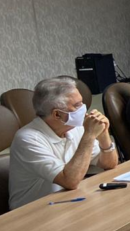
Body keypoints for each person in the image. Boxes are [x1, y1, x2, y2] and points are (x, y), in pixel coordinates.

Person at [8, 77, 118, 209]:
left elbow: (109, 164)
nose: (84, 108)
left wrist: (104, 133)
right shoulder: (28, 139)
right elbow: (70, 181)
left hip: (67, 201)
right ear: (57, 114)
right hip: (33, 212)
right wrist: (89, 135)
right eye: (77, 105)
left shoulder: (75, 128)